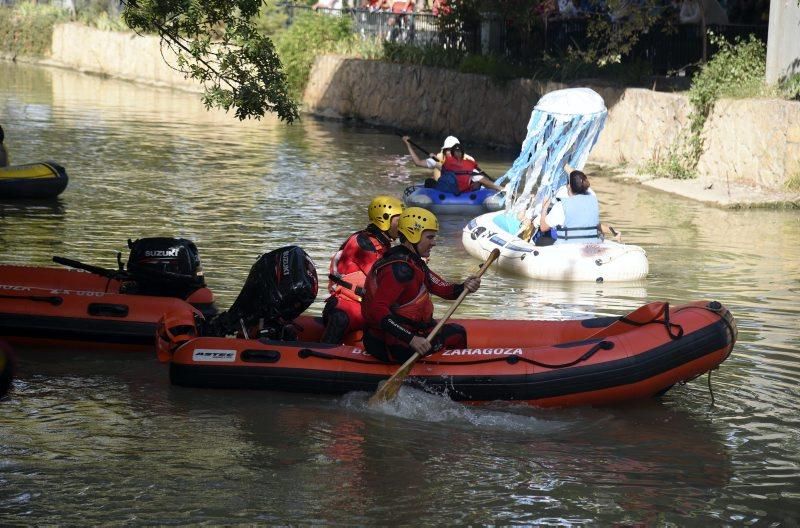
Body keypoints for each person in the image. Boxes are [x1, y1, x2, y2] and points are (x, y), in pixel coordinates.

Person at [361, 207, 481, 363]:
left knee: (455, 330)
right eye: (430, 237)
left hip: (405, 335)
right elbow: (377, 310)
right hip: (391, 344)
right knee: (457, 334)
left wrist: (465, 286)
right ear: (413, 235)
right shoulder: (399, 269)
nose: (434, 243)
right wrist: (411, 339)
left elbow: (443, 289)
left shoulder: (413, 262)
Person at [321, 195, 404, 344]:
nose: (403, 224)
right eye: (399, 220)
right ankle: (323, 352)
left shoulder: (382, 244)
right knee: (340, 319)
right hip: (345, 307)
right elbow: (381, 277)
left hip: (366, 308)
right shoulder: (362, 242)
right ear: (384, 219)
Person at [536, 170, 621, 246]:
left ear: (569, 186)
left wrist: (544, 209)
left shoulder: (561, 205)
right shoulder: (592, 201)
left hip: (569, 248)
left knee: (541, 240)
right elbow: (596, 226)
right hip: (592, 247)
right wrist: (613, 231)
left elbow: (543, 228)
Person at [402, 135, 503, 194]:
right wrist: (408, 145)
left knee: (478, 182)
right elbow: (418, 162)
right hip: (445, 190)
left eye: (453, 150)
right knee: (429, 182)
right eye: (448, 150)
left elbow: (481, 179)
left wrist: (499, 188)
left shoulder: (467, 162)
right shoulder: (438, 160)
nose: (450, 153)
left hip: (463, 192)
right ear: (444, 151)